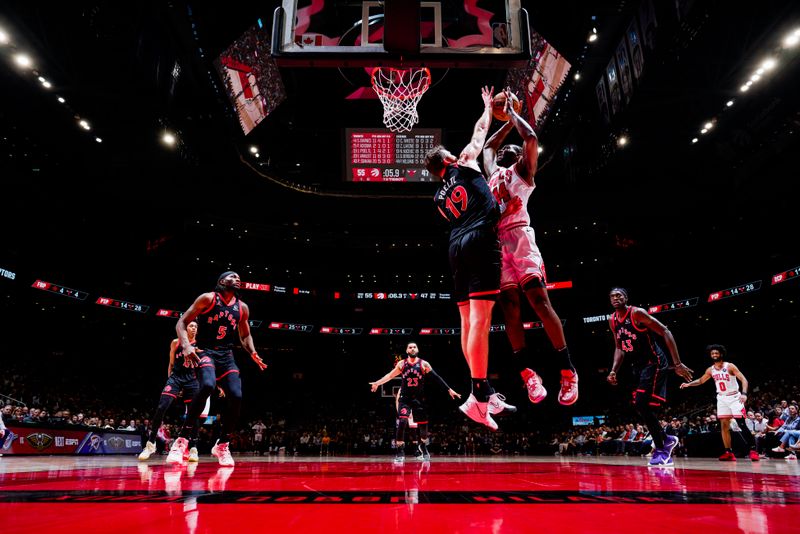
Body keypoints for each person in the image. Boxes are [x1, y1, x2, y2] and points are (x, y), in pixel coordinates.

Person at [425, 86, 516, 431]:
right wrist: (486, 109)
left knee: (467, 322)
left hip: (455, 246)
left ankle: (483, 390)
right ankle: (478, 396)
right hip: (479, 240)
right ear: (448, 159)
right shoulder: (463, 162)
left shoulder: (437, 197)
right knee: (481, 320)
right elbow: (480, 134)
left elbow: (464, 213)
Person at [482, 89, 579, 407]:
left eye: (513, 148)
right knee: (509, 309)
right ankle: (528, 374)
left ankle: (567, 371)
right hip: (498, 244)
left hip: (521, 237)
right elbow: (489, 147)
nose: (506, 150)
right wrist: (501, 120)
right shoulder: (494, 173)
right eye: (504, 150)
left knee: (539, 300)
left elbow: (532, 138)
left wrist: (512, 114)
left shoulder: (522, 172)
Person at [167, 271, 267, 467]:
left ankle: (222, 444)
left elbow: (245, 336)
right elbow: (182, 322)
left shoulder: (242, 308)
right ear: (222, 281)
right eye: (233, 277)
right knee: (207, 386)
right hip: (206, 351)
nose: (237, 279)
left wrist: (252, 352)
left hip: (226, 355)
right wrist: (187, 345)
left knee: (236, 396)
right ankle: (182, 440)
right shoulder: (208, 299)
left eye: (239, 278)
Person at [606, 287, 693, 466]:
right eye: (612, 296)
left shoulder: (637, 313)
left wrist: (676, 363)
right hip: (637, 365)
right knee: (641, 407)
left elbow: (665, 331)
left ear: (626, 298)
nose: (615, 298)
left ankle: (662, 450)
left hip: (654, 362)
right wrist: (614, 370)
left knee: (641, 403)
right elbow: (619, 347)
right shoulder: (612, 320)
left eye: (619, 295)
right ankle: (666, 440)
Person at [370, 341, 461, 463]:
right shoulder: (402, 364)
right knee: (402, 421)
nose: (412, 349)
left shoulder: (424, 364)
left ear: (417, 350)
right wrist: (377, 383)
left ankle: (423, 446)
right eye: (410, 347)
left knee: (423, 426)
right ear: (407, 351)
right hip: (405, 398)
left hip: (419, 399)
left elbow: (437, 377)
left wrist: (449, 389)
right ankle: (400, 451)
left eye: (414, 347)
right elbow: (390, 376)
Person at [679, 344, 759, 461]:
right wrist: (688, 384)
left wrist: (744, 393)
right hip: (721, 398)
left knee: (741, 424)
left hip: (735, 397)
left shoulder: (730, 366)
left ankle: (753, 450)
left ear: (721, 354)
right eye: (712, 354)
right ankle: (728, 452)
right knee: (724, 426)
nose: (714, 355)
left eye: (716, 353)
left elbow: (743, 379)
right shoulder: (710, 370)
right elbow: (701, 381)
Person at [139, 320, 203, 462]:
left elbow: (204, 366)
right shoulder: (176, 342)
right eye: (191, 325)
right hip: (176, 378)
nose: (193, 328)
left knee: (193, 414)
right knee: (162, 407)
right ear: (185, 328)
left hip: (192, 380)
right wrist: (170, 381)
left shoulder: (200, 345)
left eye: (196, 326)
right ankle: (150, 444)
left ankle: (193, 448)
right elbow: (172, 363)